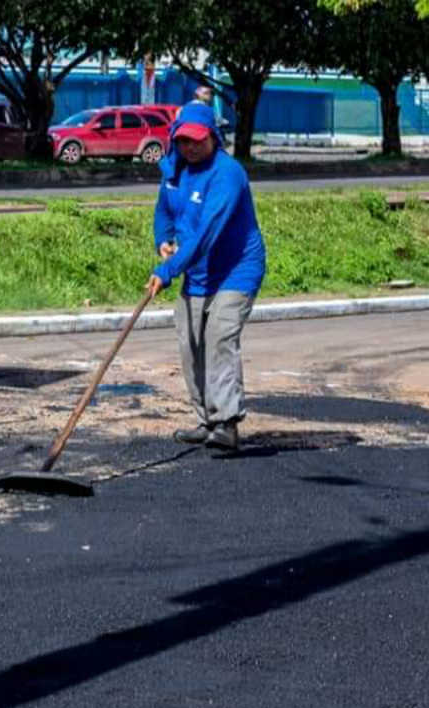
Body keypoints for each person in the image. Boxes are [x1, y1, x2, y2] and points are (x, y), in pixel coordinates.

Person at [147, 101, 266, 452]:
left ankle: (227, 422)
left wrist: (167, 271)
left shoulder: (227, 174)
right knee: (190, 341)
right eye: (183, 141)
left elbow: (206, 234)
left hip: (236, 269)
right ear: (174, 139)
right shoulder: (174, 169)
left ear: (213, 137)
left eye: (198, 140)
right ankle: (207, 419)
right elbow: (163, 212)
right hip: (197, 270)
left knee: (218, 336)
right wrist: (162, 240)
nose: (190, 147)